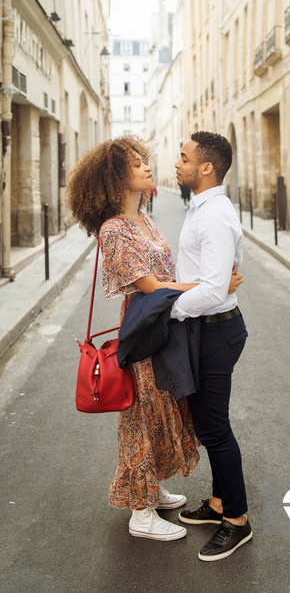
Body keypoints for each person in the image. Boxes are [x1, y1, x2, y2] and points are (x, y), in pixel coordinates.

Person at [66, 135, 242, 543]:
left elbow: (169, 273)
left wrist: (209, 282)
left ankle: (152, 488)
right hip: (145, 330)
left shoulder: (143, 220)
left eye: (144, 161)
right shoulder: (113, 230)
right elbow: (152, 286)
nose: (147, 167)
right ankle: (140, 511)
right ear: (115, 179)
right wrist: (211, 285)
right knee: (141, 415)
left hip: (163, 328)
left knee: (162, 409)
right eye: (134, 165)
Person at [172, 131, 252, 562]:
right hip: (208, 328)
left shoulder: (214, 215)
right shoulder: (203, 208)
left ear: (206, 167)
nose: (177, 163)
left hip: (216, 331)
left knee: (214, 428)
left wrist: (165, 309)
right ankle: (220, 503)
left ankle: (237, 521)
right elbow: (217, 277)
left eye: (184, 158)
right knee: (209, 426)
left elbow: (214, 288)